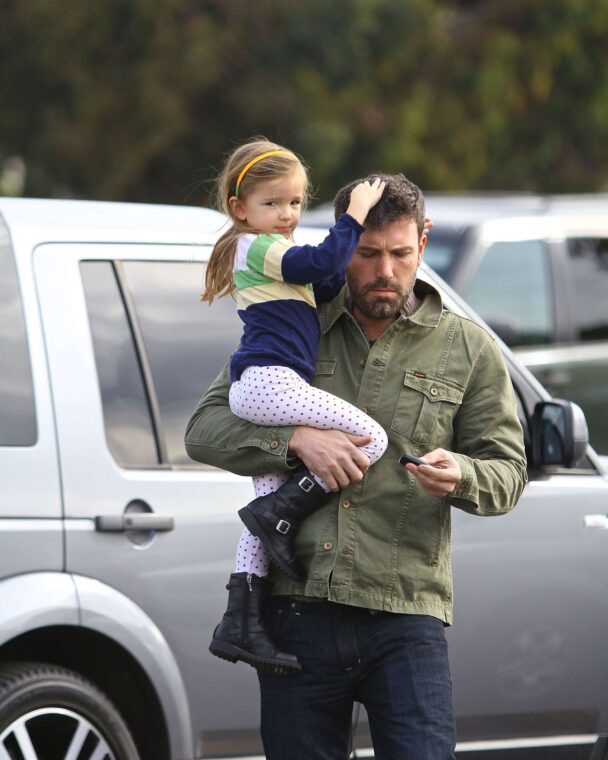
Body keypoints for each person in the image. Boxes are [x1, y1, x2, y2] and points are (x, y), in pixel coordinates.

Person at [185, 172, 527, 759]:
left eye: (399, 253)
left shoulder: (469, 347)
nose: (385, 272)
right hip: (297, 612)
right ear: (343, 243)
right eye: (366, 254)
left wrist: (461, 476)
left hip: (407, 612)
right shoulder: (293, 315)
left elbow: (507, 470)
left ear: (424, 239)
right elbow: (205, 429)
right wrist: (296, 440)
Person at [201, 138, 391, 675]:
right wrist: (352, 216)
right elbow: (324, 258)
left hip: (264, 385)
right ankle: (279, 516)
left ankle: (240, 621)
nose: (286, 215)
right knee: (371, 439)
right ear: (240, 209)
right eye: (273, 203)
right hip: (271, 383)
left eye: (295, 203)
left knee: (266, 493)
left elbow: (326, 277)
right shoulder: (254, 246)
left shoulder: (268, 252)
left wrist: (336, 261)